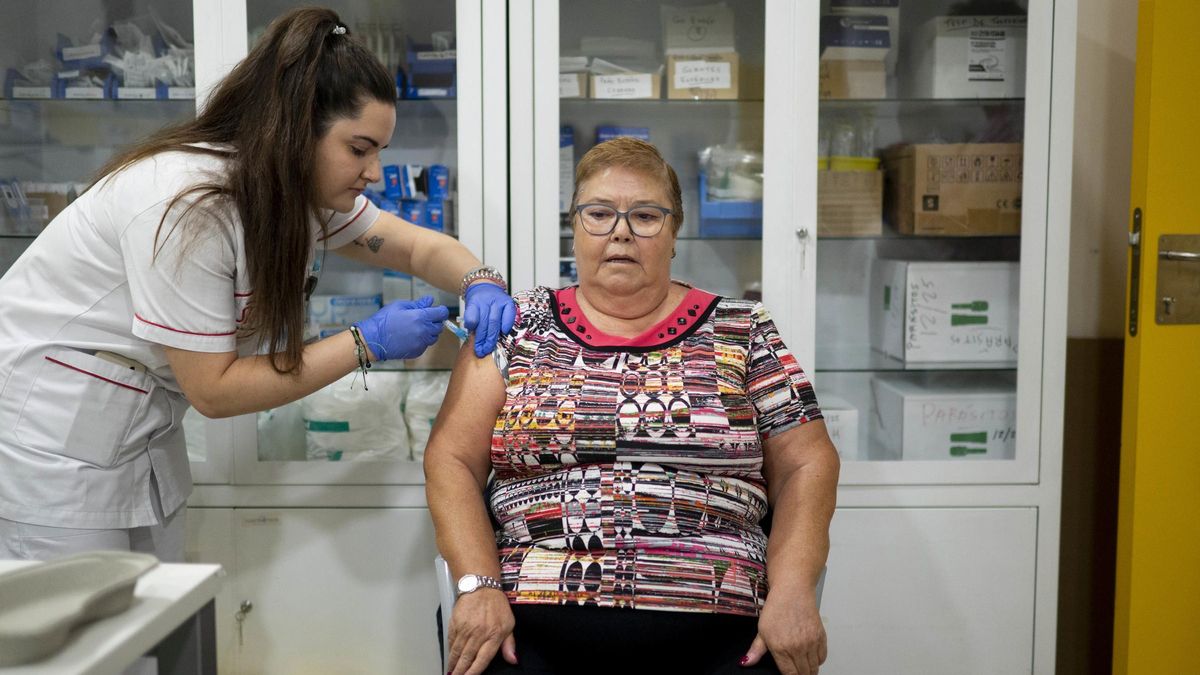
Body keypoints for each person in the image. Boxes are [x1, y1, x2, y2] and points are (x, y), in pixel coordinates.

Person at [0, 7, 515, 563]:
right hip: (52, 447)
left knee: (158, 617)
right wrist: (367, 343)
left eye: (379, 153)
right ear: (297, 128)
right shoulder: (189, 205)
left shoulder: (290, 192)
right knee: (85, 637)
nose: (373, 173)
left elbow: (414, 246)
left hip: (139, 433)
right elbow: (216, 391)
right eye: (359, 149)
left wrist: (480, 280)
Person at [425, 137, 840, 675]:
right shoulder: (517, 326)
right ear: (573, 229)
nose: (621, 230)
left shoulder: (744, 330)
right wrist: (477, 586)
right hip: (527, 621)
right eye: (599, 213)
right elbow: (450, 459)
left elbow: (809, 463)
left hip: (723, 622)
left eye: (645, 215)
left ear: (674, 234)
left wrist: (792, 591)